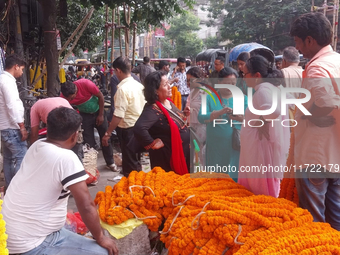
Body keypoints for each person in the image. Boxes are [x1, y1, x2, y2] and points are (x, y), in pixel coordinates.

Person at [2, 107, 118, 255]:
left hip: (10, 233)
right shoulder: (66, 157)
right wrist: (101, 238)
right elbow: (87, 206)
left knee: (69, 227)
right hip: (30, 243)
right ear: (75, 135)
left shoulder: (36, 146)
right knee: (104, 252)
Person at [291, 12, 340, 230]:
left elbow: (327, 102)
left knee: (314, 223)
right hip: (334, 153)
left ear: (309, 40)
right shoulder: (336, 60)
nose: (298, 49)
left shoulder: (317, 66)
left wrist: (309, 113)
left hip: (316, 156)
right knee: (336, 219)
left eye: (298, 43)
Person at [237, 55, 290, 197]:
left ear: (257, 75)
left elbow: (274, 112)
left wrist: (262, 120)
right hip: (260, 144)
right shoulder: (270, 88)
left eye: (245, 73)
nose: (243, 77)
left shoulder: (263, 91)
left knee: (259, 187)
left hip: (259, 146)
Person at [133, 71, 189, 174]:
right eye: (165, 85)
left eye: (168, 83)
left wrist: (184, 114)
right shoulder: (152, 109)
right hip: (167, 159)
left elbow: (175, 119)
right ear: (155, 91)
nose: (169, 86)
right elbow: (139, 128)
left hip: (181, 153)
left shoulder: (168, 102)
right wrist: (151, 143)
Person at [198, 67, 246, 181]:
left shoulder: (243, 98)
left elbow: (251, 120)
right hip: (216, 144)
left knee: (234, 173)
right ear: (219, 82)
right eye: (227, 84)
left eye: (233, 84)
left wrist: (240, 117)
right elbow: (200, 118)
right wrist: (218, 113)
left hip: (236, 143)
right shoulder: (209, 98)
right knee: (216, 175)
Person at [61, 79, 117, 171]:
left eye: (72, 97)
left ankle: (110, 162)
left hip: (98, 111)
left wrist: (100, 115)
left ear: (76, 90)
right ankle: (92, 167)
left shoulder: (86, 84)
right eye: (70, 99)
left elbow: (101, 97)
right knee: (88, 142)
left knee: (105, 138)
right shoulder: (64, 96)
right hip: (85, 115)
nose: (71, 100)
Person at [102, 57, 145, 177]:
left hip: (128, 129)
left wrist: (108, 133)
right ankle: (136, 182)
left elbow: (118, 115)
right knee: (134, 159)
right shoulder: (138, 85)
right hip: (138, 126)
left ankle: (134, 186)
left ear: (118, 70)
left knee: (130, 163)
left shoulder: (122, 89)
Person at [0, 54, 28, 187]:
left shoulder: (3, 79)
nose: (21, 72)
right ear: (16, 66)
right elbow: (12, 105)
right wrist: (21, 126)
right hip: (12, 127)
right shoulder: (7, 81)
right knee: (21, 157)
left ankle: (10, 188)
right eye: (21, 69)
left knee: (9, 159)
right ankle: (18, 189)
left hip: (5, 127)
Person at [185, 67, 207, 166]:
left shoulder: (205, 93)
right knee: (194, 153)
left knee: (201, 152)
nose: (188, 83)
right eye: (187, 80)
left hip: (202, 127)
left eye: (191, 80)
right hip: (191, 126)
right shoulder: (191, 93)